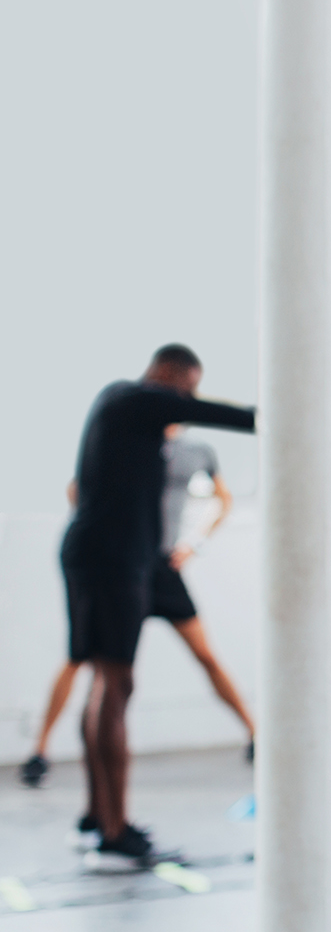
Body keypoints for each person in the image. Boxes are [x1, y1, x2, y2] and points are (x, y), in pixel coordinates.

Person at [61, 345, 257, 871]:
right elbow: (225, 415)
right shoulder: (134, 399)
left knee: (107, 682)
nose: (186, 400)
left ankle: (98, 817)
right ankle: (113, 831)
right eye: (186, 389)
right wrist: (275, 416)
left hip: (138, 562)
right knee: (115, 684)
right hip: (112, 561)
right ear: (168, 376)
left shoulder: (129, 413)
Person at [23, 425, 255, 791]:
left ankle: (255, 734)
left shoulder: (198, 451)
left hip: (163, 567)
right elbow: (77, 490)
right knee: (83, 659)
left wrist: (193, 544)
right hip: (123, 567)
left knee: (205, 654)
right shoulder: (125, 443)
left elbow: (223, 500)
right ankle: (39, 751)